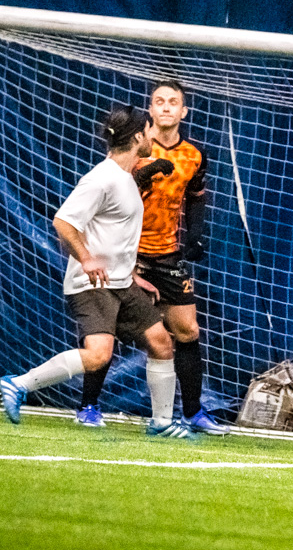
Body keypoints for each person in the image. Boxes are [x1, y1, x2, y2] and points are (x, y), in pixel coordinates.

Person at [0, 105, 192, 438]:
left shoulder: (125, 178)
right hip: (93, 284)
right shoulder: (102, 178)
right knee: (98, 355)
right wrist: (86, 259)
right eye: (149, 131)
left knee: (161, 342)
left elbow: (114, 235)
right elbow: (63, 222)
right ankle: (19, 384)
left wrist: (132, 275)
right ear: (138, 137)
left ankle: (161, 423)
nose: (154, 137)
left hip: (121, 283)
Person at [86, 79, 225, 434]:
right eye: (159, 101)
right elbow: (111, 189)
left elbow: (196, 195)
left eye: (172, 102)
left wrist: (195, 234)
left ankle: (193, 413)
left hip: (166, 255)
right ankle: (88, 406)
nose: (165, 107)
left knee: (187, 330)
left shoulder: (194, 155)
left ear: (183, 111)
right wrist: (144, 174)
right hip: (126, 254)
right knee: (108, 330)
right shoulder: (135, 148)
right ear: (150, 110)